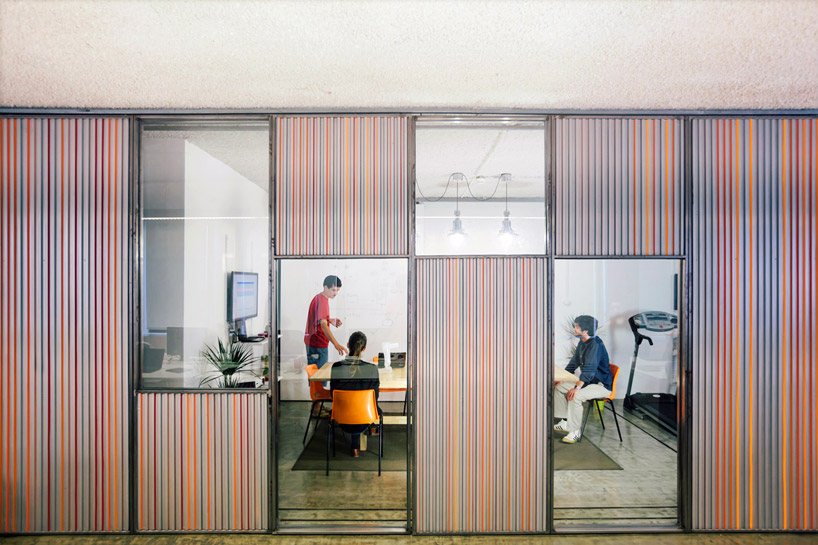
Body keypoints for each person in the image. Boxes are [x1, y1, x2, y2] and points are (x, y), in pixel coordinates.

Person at [554, 315, 614, 444]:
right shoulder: (583, 342)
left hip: (601, 385)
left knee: (575, 396)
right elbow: (573, 363)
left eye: (576, 327)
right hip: (588, 382)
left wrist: (577, 388)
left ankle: (575, 431)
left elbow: (589, 370)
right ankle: (566, 421)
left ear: (585, 331)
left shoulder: (595, 345)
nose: (574, 329)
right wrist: (563, 379)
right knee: (558, 387)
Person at [329, 331, 381, 457]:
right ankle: (371, 429)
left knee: (352, 402)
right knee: (373, 406)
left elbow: (332, 395)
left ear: (348, 345)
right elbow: (375, 397)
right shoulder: (372, 368)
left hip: (341, 416)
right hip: (366, 416)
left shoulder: (336, 367)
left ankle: (355, 447)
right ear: (364, 348)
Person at [304, 275, 348, 373]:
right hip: (318, 344)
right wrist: (336, 344)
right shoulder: (323, 301)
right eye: (333, 290)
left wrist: (329, 320)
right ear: (325, 287)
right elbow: (323, 326)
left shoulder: (318, 298)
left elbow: (319, 320)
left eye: (337, 291)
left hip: (313, 343)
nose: (335, 293)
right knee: (320, 377)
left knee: (315, 376)